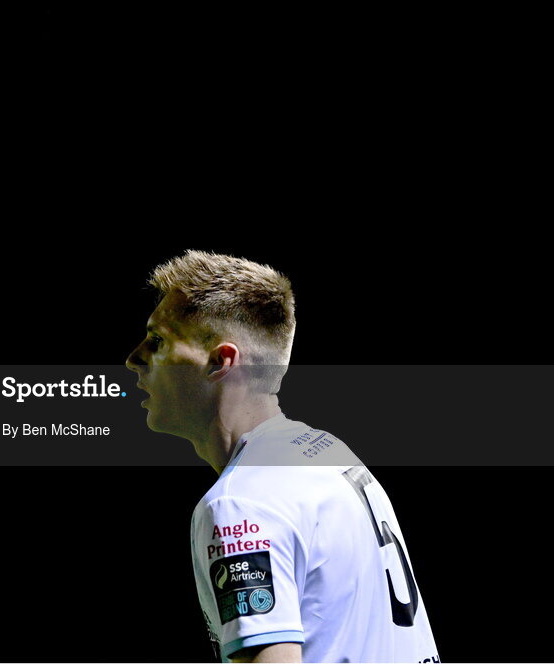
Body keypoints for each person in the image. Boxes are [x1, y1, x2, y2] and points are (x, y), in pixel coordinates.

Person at [125, 250, 439, 663]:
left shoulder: (239, 503)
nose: (133, 359)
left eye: (159, 341)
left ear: (221, 361)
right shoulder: (327, 452)